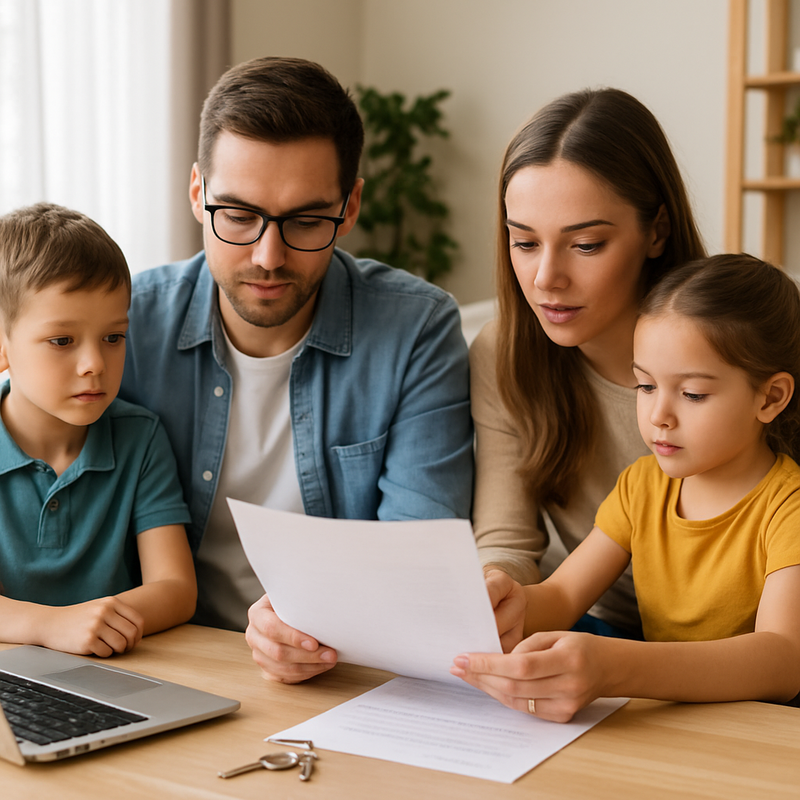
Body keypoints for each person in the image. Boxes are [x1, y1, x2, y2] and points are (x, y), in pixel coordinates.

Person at [118, 57, 473, 681]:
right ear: (198, 194)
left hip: (344, 672)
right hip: (163, 662)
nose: (268, 256)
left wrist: (318, 628)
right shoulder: (126, 328)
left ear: (352, 204)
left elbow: (416, 566)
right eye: (239, 215)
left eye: (307, 221)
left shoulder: (416, 329)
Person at [453, 254, 800, 720]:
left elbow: (782, 659)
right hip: (668, 719)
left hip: (757, 732)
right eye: (645, 386)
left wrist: (617, 666)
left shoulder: (788, 506)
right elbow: (561, 597)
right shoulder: (641, 487)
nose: (659, 415)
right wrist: (508, 601)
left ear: (771, 397)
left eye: (693, 393)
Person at [471, 88, 707, 639]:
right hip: (590, 626)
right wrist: (494, 591)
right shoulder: (502, 352)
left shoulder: (749, 347)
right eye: (525, 243)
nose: (545, 279)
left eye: (586, 245)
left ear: (657, 231)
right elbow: (506, 542)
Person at [0, 203, 196, 657]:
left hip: (119, 669)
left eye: (113, 337)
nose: (94, 365)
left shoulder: (140, 438)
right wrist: (53, 625)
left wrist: (96, 625)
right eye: (62, 341)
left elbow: (176, 587)